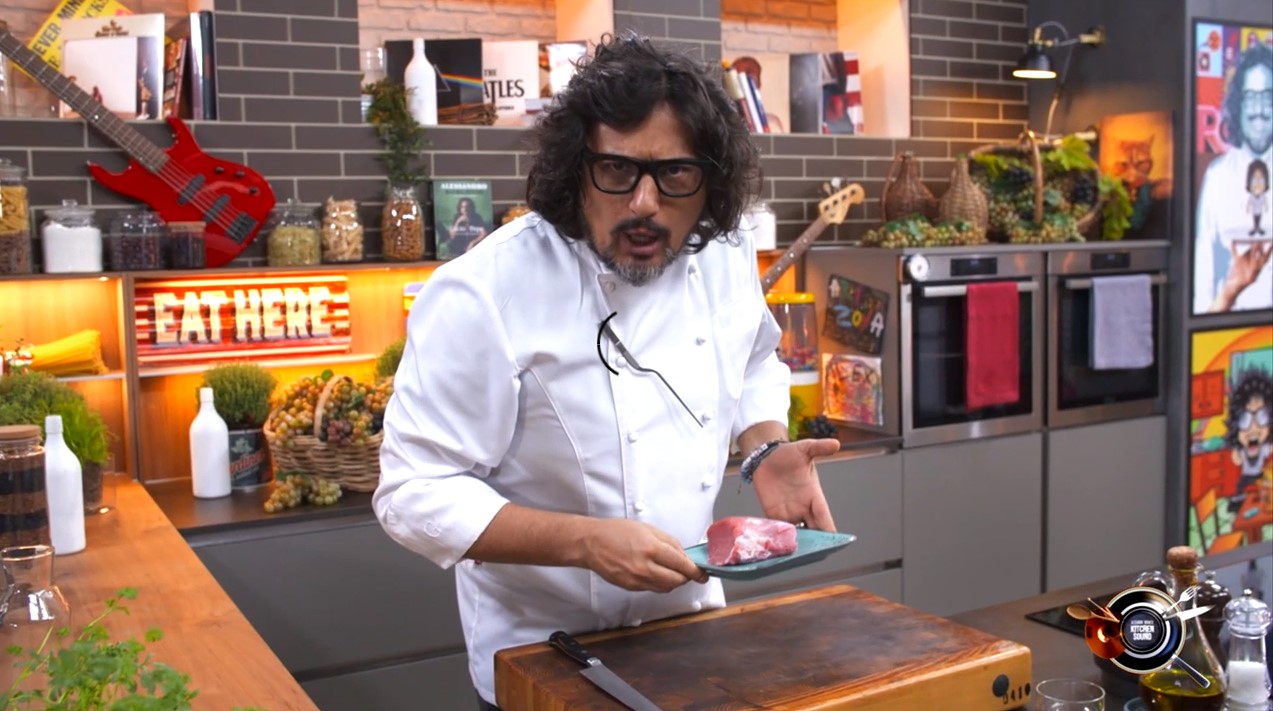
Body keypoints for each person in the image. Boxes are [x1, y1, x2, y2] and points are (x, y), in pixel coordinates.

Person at [374, 33, 840, 711]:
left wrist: (764, 446)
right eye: (617, 169)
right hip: (542, 655)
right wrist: (586, 542)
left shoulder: (723, 252)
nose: (644, 202)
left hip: (691, 636)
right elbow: (412, 492)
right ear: (576, 168)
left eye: (675, 174)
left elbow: (752, 357)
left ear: (709, 182)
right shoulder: (485, 289)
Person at [1194, 41, 1273, 314]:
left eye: (1268, 97)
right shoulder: (1217, 177)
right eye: (1250, 97)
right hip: (1227, 324)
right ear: (1238, 105)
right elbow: (1202, 269)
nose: (1259, 110)